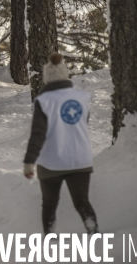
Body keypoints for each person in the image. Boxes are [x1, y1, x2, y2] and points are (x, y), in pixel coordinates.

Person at [23, 53, 98, 235]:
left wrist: (29, 161)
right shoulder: (83, 97)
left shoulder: (44, 101)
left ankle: (49, 236)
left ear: (47, 78)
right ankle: (93, 230)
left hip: (52, 162)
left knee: (49, 204)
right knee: (82, 201)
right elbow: (82, 123)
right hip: (80, 160)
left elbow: (38, 134)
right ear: (65, 74)